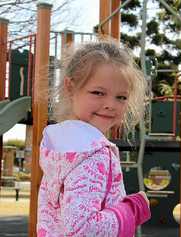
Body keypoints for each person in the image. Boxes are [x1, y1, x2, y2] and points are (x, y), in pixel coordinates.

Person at [37, 39, 151, 237]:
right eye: (98, 92)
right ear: (70, 88)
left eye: (121, 97)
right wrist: (132, 210)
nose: (111, 105)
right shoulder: (92, 154)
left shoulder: (59, 146)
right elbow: (85, 229)